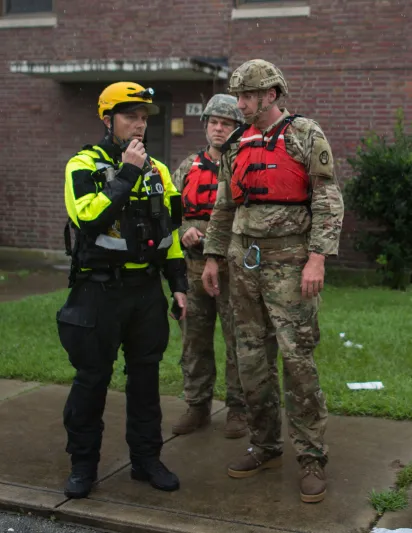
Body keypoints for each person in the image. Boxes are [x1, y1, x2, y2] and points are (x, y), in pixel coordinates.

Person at [201, 59, 344, 503]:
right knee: (250, 356)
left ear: (272, 95)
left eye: (248, 96)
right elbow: (224, 206)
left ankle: (311, 456)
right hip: (243, 261)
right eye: (239, 95)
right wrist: (211, 256)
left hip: (290, 260)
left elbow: (327, 199)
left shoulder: (305, 135)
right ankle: (264, 444)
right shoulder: (238, 143)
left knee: (297, 359)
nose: (241, 103)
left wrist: (317, 258)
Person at [58, 81, 188, 499]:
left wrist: (179, 286)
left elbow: (169, 233)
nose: (139, 125)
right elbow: (90, 219)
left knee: (146, 380)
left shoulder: (160, 171)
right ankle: (83, 465)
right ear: (107, 119)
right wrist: (128, 170)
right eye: (130, 116)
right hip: (99, 292)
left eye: (144, 118)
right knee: (92, 379)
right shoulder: (82, 165)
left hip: (145, 293)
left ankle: (146, 459)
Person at [171, 94, 255, 440]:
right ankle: (197, 405)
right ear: (206, 125)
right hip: (193, 269)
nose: (219, 129)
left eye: (226, 123)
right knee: (194, 339)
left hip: (232, 268)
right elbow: (169, 213)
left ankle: (238, 408)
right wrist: (182, 231)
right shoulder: (187, 166)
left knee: (238, 340)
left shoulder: (246, 164)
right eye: (214, 122)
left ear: (238, 127)